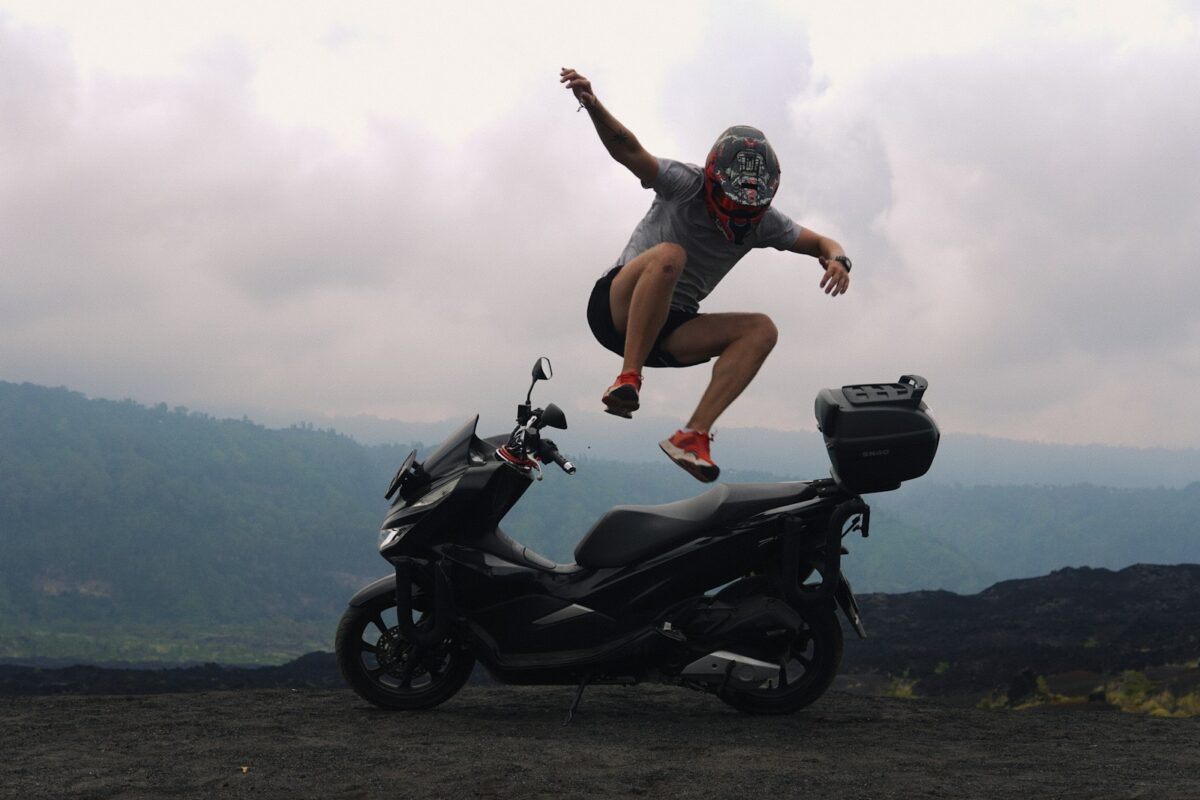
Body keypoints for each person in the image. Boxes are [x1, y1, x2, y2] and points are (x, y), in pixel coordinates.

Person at [561, 67, 852, 483]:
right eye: (733, 203)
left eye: (749, 209)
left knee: (761, 329)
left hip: (670, 327)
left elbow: (823, 242)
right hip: (617, 306)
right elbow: (628, 150)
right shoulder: (685, 183)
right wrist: (593, 105)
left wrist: (839, 259)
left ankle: (693, 435)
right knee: (670, 256)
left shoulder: (763, 223)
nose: (739, 216)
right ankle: (628, 378)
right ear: (714, 182)